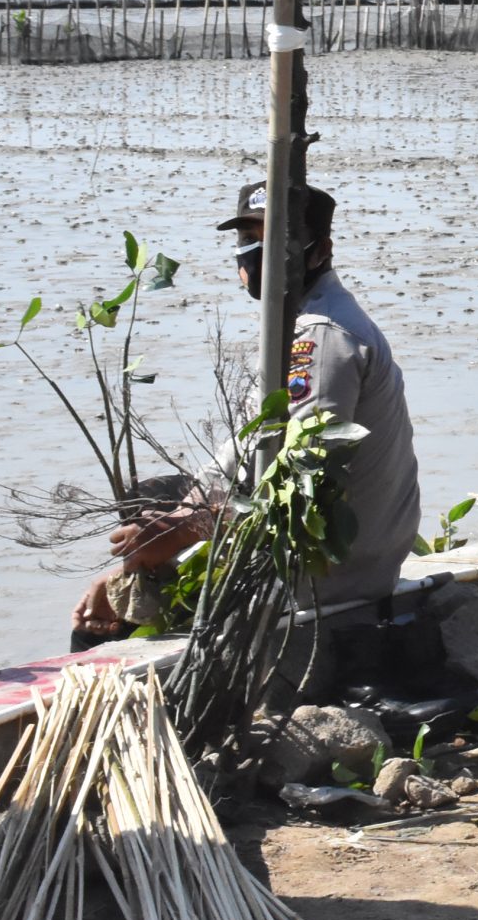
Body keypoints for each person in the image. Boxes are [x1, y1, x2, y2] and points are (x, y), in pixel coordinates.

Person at [71, 182, 420, 641]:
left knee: (101, 632)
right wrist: (171, 525)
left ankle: (114, 644)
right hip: (330, 546)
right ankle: (135, 592)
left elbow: (302, 485)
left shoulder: (320, 338)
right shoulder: (297, 320)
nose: (255, 252)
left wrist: (180, 533)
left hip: (330, 577)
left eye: (275, 238)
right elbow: (243, 454)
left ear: (320, 250)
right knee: (152, 496)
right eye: (246, 237)